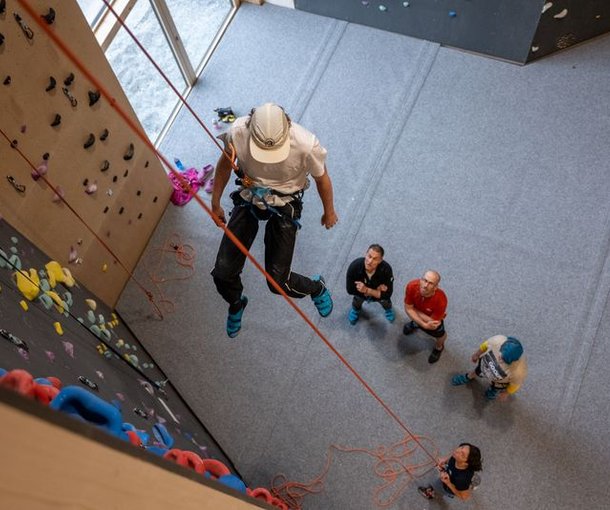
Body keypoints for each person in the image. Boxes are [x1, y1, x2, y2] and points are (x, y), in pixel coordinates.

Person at [210, 103, 338, 338]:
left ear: (288, 125)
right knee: (222, 272)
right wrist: (215, 202)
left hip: (285, 201)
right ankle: (237, 302)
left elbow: (322, 179)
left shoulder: (306, 143)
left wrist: (329, 211)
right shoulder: (237, 132)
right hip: (249, 196)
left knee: (277, 282)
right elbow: (225, 165)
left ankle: (316, 288)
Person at [451, 335, 527, 401]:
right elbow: (484, 346)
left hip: (500, 381)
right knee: (478, 371)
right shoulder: (498, 340)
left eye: (505, 360)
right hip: (485, 364)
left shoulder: (519, 371)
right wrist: (477, 354)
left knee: (496, 387)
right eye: (502, 355)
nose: (500, 358)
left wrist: (506, 393)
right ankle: (469, 376)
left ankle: (493, 390)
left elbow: (515, 384)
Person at [402, 270, 448, 363]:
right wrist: (423, 324)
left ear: (435, 287)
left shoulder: (441, 299)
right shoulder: (411, 286)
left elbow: (433, 321)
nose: (425, 285)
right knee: (415, 320)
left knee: (440, 334)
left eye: (430, 283)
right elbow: (408, 309)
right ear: (421, 279)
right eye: (424, 280)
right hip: (423, 318)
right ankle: (415, 323)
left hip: (432, 321)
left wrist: (413, 310)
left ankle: (439, 348)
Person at [345, 244, 394, 325]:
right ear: (366, 254)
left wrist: (366, 290)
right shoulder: (354, 266)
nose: (370, 261)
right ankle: (356, 309)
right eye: (369, 256)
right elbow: (350, 290)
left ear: (380, 260)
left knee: (386, 302)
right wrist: (377, 291)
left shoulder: (386, 269)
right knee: (357, 300)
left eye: (375, 259)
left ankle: (388, 309)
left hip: (366, 292)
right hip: (361, 294)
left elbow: (388, 294)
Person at [418, 443, 482, 501]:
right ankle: (474, 482)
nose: (457, 450)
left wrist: (448, 483)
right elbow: (453, 455)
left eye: (462, 454)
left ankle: (430, 493)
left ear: (466, 463)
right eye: (462, 447)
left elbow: (464, 497)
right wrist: (445, 460)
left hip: (449, 486)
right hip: (451, 476)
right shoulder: (457, 457)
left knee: (437, 485)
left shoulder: (462, 479)